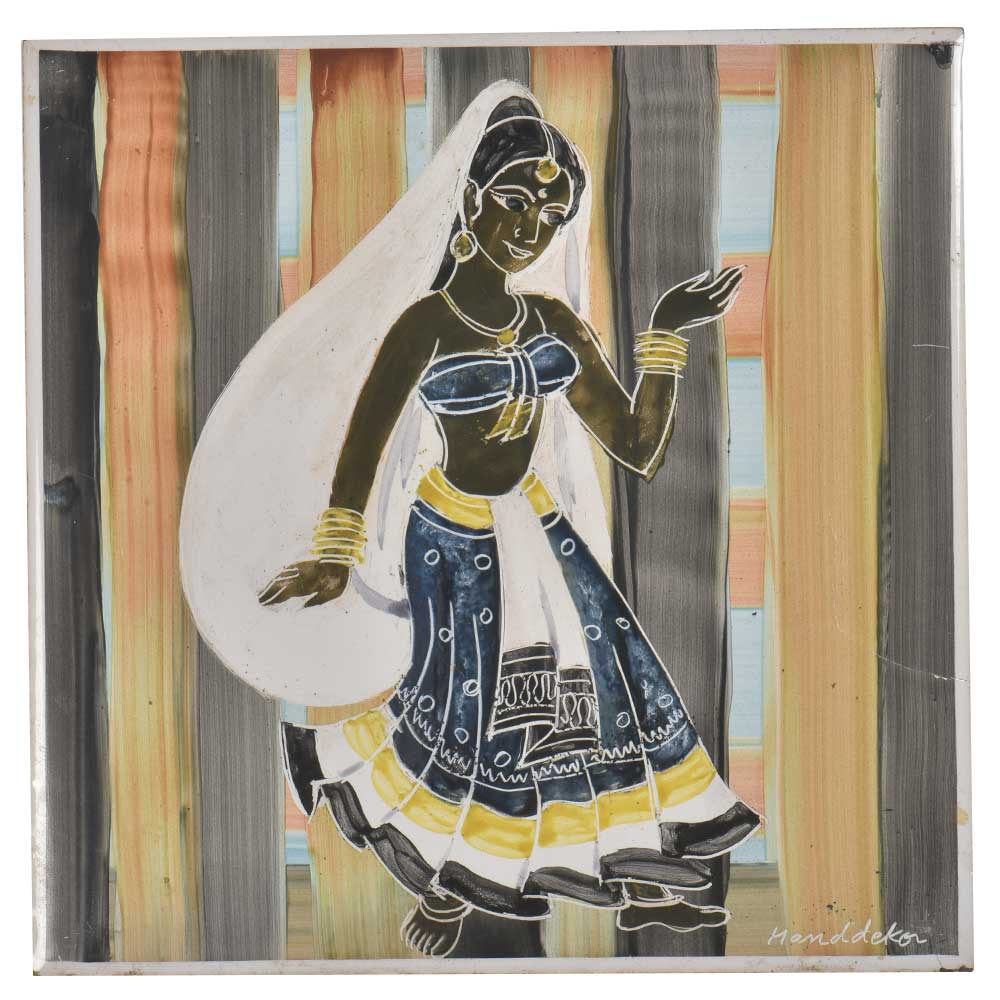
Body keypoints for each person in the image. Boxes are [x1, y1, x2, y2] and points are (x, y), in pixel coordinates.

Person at [180, 82, 760, 959]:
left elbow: (638, 446)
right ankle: (449, 876)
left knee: (594, 691)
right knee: (468, 709)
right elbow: (367, 439)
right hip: (450, 537)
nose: (531, 228)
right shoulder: (425, 323)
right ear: (473, 198)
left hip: (536, 532)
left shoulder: (553, 321)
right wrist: (336, 550)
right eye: (516, 201)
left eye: (551, 216)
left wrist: (668, 333)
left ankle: (608, 871)